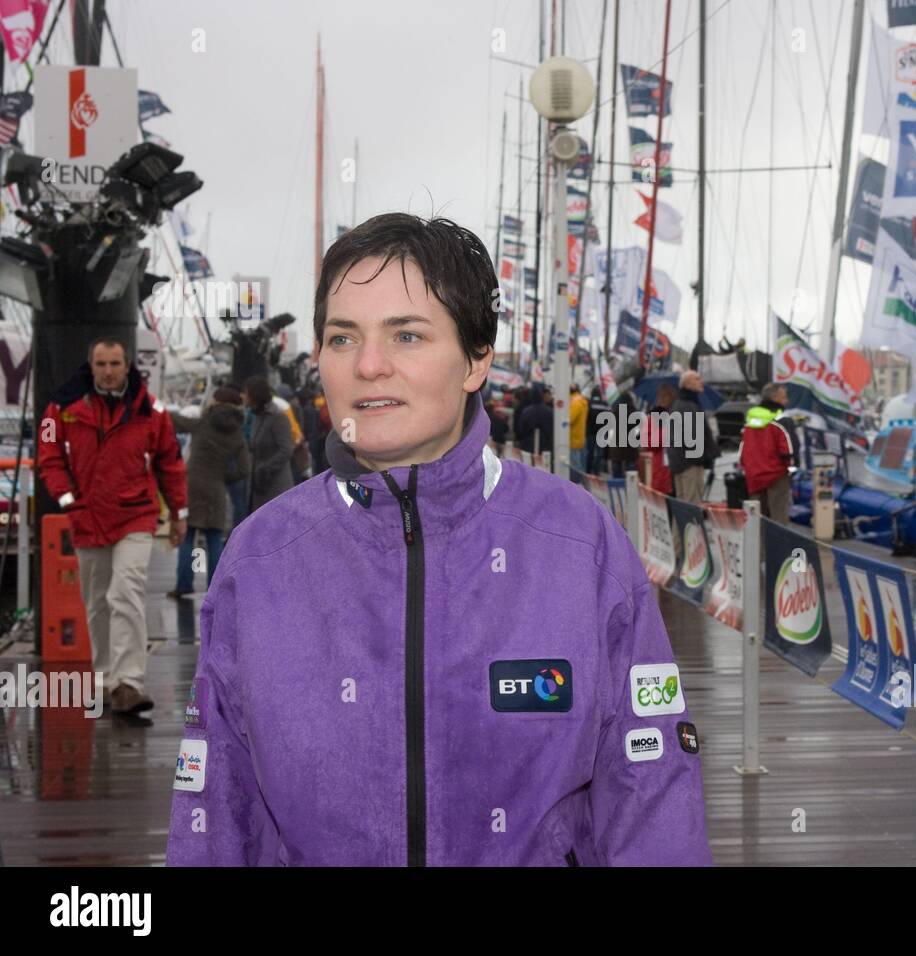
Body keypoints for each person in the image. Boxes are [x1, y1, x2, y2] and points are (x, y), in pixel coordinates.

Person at [166, 212, 709, 866]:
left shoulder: (579, 545)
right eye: (342, 338)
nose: (369, 365)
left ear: (477, 359)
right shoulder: (257, 563)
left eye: (407, 335)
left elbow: (649, 797)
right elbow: (215, 814)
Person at [36, 337, 188, 715]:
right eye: (101, 364)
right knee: (98, 601)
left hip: (134, 515)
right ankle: (104, 678)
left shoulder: (151, 410)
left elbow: (169, 461)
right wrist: (70, 501)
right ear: (92, 366)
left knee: (126, 590)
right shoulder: (60, 409)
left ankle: (128, 682)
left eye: (115, 364)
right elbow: (48, 456)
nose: (108, 371)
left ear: (127, 366)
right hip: (87, 517)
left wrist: (180, 514)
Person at [168, 386, 250, 598]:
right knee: (214, 537)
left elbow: (176, 422)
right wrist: (224, 478)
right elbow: (244, 468)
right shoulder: (237, 432)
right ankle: (215, 588)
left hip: (193, 483)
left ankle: (184, 584)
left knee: (189, 535)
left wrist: (157, 410)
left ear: (216, 402)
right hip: (216, 486)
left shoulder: (204, 422)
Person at [739, 382, 798, 524]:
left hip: (754, 476)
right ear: (775, 397)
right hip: (776, 476)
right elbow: (789, 450)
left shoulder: (750, 419)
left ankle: (758, 547)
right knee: (779, 519)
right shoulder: (782, 419)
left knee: (757, 522)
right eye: (784, 397)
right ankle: (779, 546)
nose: (787, 401)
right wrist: (793, 469)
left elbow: (743, 449)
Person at [243, 376, 295, 512]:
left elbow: (286, 450)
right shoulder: (256, 417)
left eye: (246, 393)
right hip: (259, 485)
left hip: (276, 485)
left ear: (254, 395)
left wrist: (265, 468)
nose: (244, 396)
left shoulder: (278, 417)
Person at [667, 371, 719, 503]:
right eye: (697, 379)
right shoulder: (688, 406)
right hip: (690, 464)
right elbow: (693, 438)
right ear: (687, 384)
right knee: (692, 505)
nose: (701, 382)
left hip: (680, 462)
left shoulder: (681, 403)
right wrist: (706, 456)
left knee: (682, 505)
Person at [639, 383, 677, 496]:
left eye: (667, 396)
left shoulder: (678, 414)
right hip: (661, 469)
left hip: (677, 468)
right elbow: (647, 443)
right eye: (661, 396)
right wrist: (666, 432)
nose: (663, 399)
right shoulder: (654, 418)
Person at [516, 386, 554, 462]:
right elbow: (551, 428)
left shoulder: (526, 411)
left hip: (528, 445)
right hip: (545, 446)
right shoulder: (549, 411)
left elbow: (521, 429)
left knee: (529, 467)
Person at [585, 385, 609, 476]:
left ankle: (588, 471)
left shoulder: (589, 403)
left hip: (591, 432)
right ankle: (596, 472)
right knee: (599, 453)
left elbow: (586, 418)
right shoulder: (605, 404)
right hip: (602, 433)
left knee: (590, 452)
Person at [568, 382, 588, 480]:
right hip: (579, 437)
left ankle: (579, 486)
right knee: (578, 463)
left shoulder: (575, 402)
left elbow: (569, 419)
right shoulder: (581, 400)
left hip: (572, 438)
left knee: (575, 466)